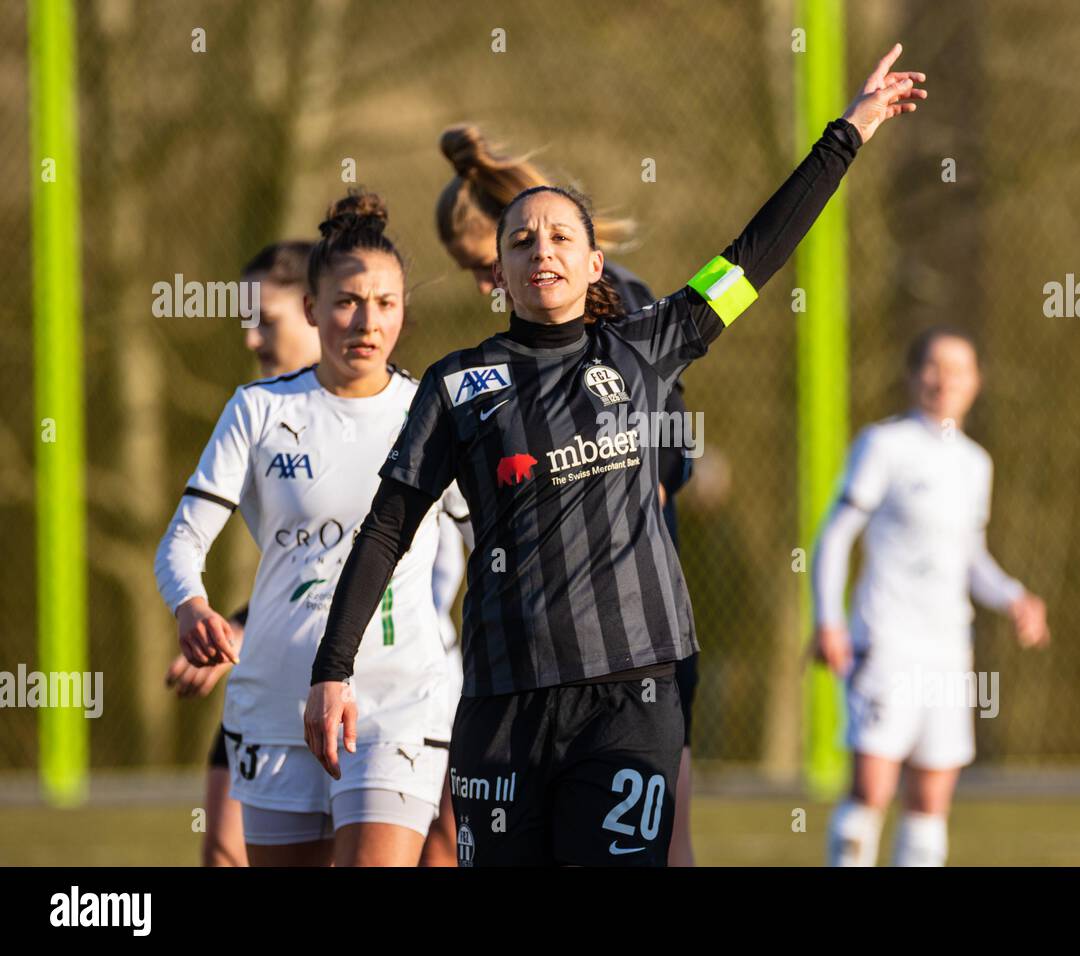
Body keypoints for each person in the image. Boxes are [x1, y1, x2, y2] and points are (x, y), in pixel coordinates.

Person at [307, 43, 926, 866]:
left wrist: (850, 130)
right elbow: (386, 528)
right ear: (500, 271)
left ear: (596, 263)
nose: (543, 251)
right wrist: (332, 668)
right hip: (502, 705)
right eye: (523, 241)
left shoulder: (651, 344)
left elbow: (756, 253)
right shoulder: (458, 386)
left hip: (631, 698)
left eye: (562, 236)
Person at [156, 193, 465, 866]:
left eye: (386, 302)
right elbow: (182, 541)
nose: (368, 320)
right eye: (349, 301)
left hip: (396, 698)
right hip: (277, 698)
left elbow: (486, 536)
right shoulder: (259, 411)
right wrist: (191, 605)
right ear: (312, 309)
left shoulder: (434, 413)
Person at [431, 123, 697, 864]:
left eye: (484, 264)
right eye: (479, 272)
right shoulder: (471, 375)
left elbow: (671, 447)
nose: (488, 284)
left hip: (630, 636)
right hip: (523, 662)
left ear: (587, 261)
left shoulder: (625, 318)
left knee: (657, 832)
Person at [813, 326, 1050, 867]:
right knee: (872, 792)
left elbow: (971, 557)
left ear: (976, 382)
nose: (945, 380)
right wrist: (829, 621)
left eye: (958, 369)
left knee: (929, 803)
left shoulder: (975, 464)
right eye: (934, 367)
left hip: (948, 651)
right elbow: (836, 534)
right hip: (887, 642)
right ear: (914, 376)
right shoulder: (884, 445)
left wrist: (1015, 598)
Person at [162, 240, 318, 867]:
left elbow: (366, 574)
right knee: (225, 853)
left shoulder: (399, 415)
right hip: (272, 677)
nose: (252, 339)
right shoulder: (254, 412)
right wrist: (231, 623)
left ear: (317, 309)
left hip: (394, 690)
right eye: (245, 323)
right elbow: (307, 562)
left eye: (266, 321)